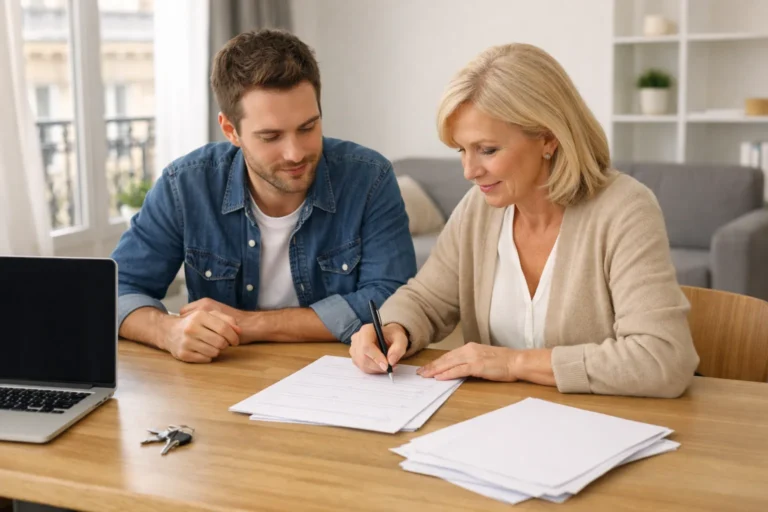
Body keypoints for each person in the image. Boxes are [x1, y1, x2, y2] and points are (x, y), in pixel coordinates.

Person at [350, 43, 699, 398]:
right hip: (496, 427)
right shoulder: (479, 209)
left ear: (548, 138)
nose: (470, 171)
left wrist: (512, 363)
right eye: (462, 150)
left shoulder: (625, 209)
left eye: (487, 150)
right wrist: (395, 328)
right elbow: (425, 299)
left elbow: (663, 359)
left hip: (602, 428)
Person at [112, 29, 416, 363]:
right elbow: (113, 290)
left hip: (341, 376)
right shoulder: (185, 185)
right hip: (223, 379)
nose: (295, 153)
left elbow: (390, 299)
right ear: (231, 130)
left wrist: (251, 324)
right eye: (271, 136)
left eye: (308, 127)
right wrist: (165, 331)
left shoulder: (370, 177)